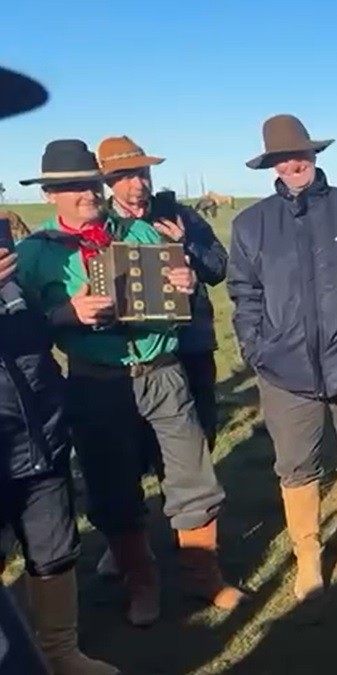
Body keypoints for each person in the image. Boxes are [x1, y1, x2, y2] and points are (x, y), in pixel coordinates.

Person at [15, 139, 243, 628]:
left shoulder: (140, 232)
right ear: (50, 196)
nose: (85, 194)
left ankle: (203, 575)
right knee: (113, 488)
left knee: (193, 476)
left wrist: (184, 284)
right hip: (97, 384)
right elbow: (23, 328)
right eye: (71, 188)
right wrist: (66, 313)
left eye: (90, 184)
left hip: (162, 372)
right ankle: (142, 583)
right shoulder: (35, 256)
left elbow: (178, 305)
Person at [226, 114, 337, 601]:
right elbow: (244, 294)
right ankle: (308, 556)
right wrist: (257, 350)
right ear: (271, 166)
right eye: (282, 158)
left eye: (299, 154)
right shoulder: (250, 224)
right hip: (283, 370)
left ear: (315, 155)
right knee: (296, 468)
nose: (293, 163)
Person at [0, 64, 118, 675]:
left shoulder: (8, 251)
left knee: (53, 544)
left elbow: (28, 329)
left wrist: (57, 315)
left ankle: (60, 651)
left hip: (37, 421)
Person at [92, 135, 228, 581]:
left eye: (142, 174)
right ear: (108, 182)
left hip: (189, 348)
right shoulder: (102, 225)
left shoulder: (179, 215)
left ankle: (190, 534)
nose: (137, 185)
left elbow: (217, 267)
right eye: (125, 177)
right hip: (130, 356)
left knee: (196, 441)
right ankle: (129, 545)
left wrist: (186, 245)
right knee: (129, 453)